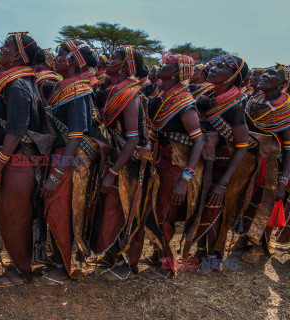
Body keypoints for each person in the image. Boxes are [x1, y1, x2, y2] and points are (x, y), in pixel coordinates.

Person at [37, 38, 109, 285]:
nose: (55, 58)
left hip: (69, 159)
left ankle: (64, 266)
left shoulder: (78, 90)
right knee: (56, 209)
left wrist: (57, 174)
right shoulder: (66, 85)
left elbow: (76, 136)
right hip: (62, 156)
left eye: (60, 53)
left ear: (74, 60)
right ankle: (58, 259)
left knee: (63, 211)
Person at [0, 32, 53, 287]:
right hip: (17, 160)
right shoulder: (18, 81)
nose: (1, 49)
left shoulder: (17, 85)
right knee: (11, 215)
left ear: (18, 54)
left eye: (6, 46)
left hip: (19, 161)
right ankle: (21, 265)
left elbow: (15, 130)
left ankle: (22, 270)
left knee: (12, 216)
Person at [192, 55, 258, 274]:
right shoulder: (207, 95)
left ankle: (214, 257)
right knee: (202, 206)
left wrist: (223, 183)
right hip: (206, 162)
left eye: (220, 66)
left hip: (224, 166)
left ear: (232, 76)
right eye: (214, 64)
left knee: (216, 208)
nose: (212, 67)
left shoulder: (235, 104)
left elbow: (242, 145)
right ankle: (201, 253)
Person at [92, 45, 152, 280]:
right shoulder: (115, 89)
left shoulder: (129, 93)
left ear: (127, 65)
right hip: (117, 160)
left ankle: (128, 264)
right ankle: (113, 255)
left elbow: (133, 138)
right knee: (112, 210)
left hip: (129, 164)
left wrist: (112, 172)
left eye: (115, 57)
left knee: (127, 211)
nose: (109, 60)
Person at [142, 53, 204, 279]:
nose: (162, 65)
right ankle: (160, 254)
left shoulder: (184, 102)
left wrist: (186, 177)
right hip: (160, 160)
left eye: (168, 64)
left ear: (177, 73)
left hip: (174, 165)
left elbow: (199, 140)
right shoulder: (163, 94)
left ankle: (167, 267)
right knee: (156, 210)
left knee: (164, 214)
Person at [240, 64, 290, 262]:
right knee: (248, 199)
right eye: (265, 72)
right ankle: (250, 236)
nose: (263, 76)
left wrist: (283, 181)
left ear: (282, 83)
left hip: (271, 165)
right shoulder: (253, 101)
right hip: (251, 160)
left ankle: (263, 244)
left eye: (271, 74)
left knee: (266, 202)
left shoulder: (286, 108)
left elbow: (288, 149)